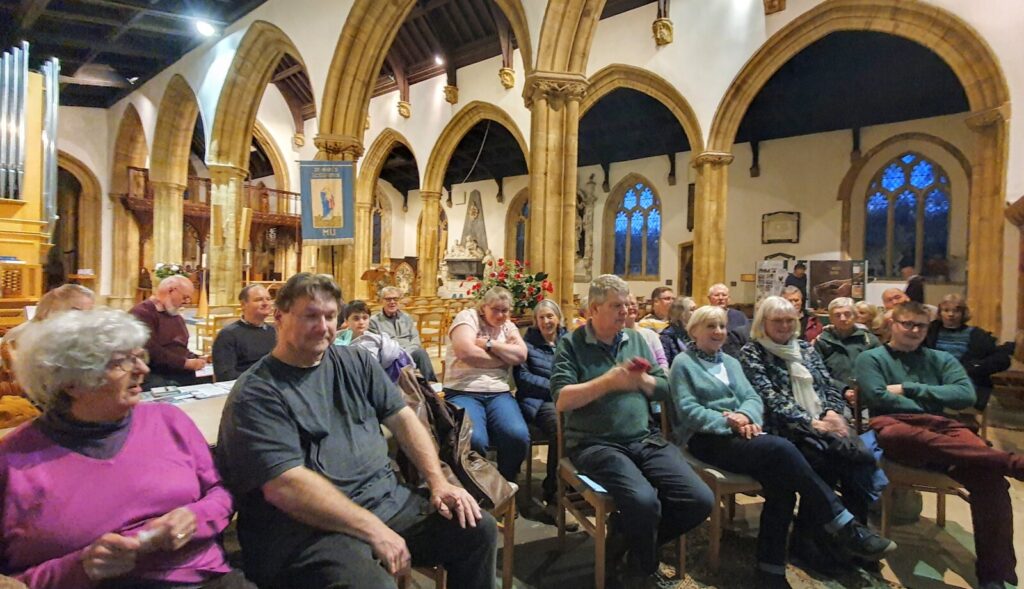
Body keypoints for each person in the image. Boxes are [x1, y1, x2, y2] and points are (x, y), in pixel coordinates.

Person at [215, 273, 497, 589]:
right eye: (310, 316)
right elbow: (286, 487)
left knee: (477, 529)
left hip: (385, 502)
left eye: (330, 316)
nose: (323, 327)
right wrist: (372, 529)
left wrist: (438, 482)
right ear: (279, 318)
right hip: (307, 530)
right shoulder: (257, 392)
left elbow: (403, 418)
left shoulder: (356, 361)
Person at [2, 309, 251, 589]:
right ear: (70, 382)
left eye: (139, 356)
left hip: (200, 579)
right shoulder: (13, 461)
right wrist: (79, 567)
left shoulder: (169, 421)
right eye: (121, 362)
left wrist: (194, 517)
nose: (142, 370)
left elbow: (221, 493)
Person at [669, 306, 895, 588]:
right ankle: (842, 522)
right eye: (710, 326)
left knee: (781, 483)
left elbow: (752, 398)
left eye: (722, 326)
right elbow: (688, 411)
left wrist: (747, 416)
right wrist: (731, 422)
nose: (718, 332)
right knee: (782, 450)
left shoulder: (730, 361)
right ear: (694, 330)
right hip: (705, 438)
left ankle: (770, 570)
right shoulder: (683, 363)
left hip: (744, 432)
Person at [550, 274, 713, 587]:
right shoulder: (571, 344)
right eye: (616, 305)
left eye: (628, 304)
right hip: (595, 444)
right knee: (643, 502)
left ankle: (623, 543)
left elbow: (664, 389)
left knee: (698, 499)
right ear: (594, 309)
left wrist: (644, 381)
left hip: (644, 438)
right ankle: (643, 567)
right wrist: (609, 381)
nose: (625, 310)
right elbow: (562, 400)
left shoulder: (636, 339)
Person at [855, 301, 1024, 589]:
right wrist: (932, 400)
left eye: (920, 325)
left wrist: (911, 388)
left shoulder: (941, 359)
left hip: (945, 429)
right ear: (892, 324)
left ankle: (995, 575)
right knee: (895, 435)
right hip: (897, 426)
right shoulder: (871, 358)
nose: (913, 330)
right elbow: (878, 397)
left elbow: (965, 396)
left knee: (991, 480)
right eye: (906, 323)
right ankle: (1010, 462)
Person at [740, 296, 883, 551]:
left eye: (789, 320)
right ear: (763, 323)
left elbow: (827, 383)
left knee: (855, 459)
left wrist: (831, 411)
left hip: (821, 422)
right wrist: (810, 421)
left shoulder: (805, 348)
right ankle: (811, 541)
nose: (784, 326)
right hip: (783, 427)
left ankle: (847, 542)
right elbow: (768, 396)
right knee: (821, 461)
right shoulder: (753, 352)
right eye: (777, 321)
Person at [444, 286, 529, 482]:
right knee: (474, 440)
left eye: (505, 310)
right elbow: (466, 352)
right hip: (463, 390)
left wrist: (491, 345)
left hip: (499, 392)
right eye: (496, 309)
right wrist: (503, 358)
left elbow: (521, 355)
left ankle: (505, 483)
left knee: (517, 437)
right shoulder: (468, 317)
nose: (501, 315)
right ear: (483, 308)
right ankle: (479, 487)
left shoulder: (508, 326)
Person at [512, 299, 567, 507]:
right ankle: (553, 489)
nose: (546, 321)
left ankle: (577, 483)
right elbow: (523, 378)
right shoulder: (526, 345)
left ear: (559, 318)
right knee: (560, 429)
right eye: (542, 317)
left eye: (550, 316)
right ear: (535, 321)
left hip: (568, 397)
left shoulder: (569, 341)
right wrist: (557, 388)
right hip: (539, 402)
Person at [924, 293, 1011, 410]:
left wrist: (975, 367)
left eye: (956, 311)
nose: (951, 314)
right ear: (940, 312)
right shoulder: (929, 331)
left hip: (964, 379)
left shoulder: (976, 334)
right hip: (933, 378)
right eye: (946, 310)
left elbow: (1002, 359)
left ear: (963, 313)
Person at [131, 275, 207, 389]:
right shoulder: (142, 313)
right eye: (185, 297)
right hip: (156, 376)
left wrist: (197, 357)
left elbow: (179, 347)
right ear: (171, 290)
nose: (187, 302)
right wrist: (185, 363)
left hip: (179, 373)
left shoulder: (175, 315)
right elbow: (150, 351)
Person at [2, 283, 95, 368]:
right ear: (56, 306)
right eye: (77, 311)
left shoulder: (20, 329)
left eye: (88, 313)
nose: (85, 320)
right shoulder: (53, 338)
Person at [369, 286, 438, 381]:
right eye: (388, 299)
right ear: (382, 301)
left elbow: (415, 339)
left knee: (421, 353)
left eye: (395, 299)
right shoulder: (374, 321)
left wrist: (407, 353)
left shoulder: (406, 317)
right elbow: (377, 345)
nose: (392, 302)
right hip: (390, 356)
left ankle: (432, 385)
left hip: (409, 352)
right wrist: (398, 354)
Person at [337, 300, 413, 383]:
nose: (361, 322)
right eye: (356, 318)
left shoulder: (375, 341)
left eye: (365, 318)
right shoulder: (338, 338)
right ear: (347, 321)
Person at [212, 285, 276, 381]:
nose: (266, 303)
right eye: (259, 300)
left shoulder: (274, 331)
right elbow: (225, 375)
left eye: (268, 299)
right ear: (243, 304)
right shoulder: (228, 335)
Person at [814, 297, 880, 387]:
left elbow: (878, 371)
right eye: (837, 315)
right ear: (831, 319)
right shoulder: (822, 341)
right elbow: (818, 372)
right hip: (833, 393)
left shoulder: (869, 340)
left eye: (847, 314)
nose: (843, 319)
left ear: (855, 316)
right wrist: (843, 389)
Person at [626, 293, 669, 370]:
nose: (630, 307)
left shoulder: (649, 334)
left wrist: (661, 378)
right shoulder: (615, 334)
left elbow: (662, 361)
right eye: (626, 304)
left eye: (633, 304)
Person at [708, 283, 749, 357]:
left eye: (724, 295)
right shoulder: (703, 315)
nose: (721, 298)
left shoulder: (739, 316)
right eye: (716, 295)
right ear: (709, 298)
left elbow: (747, 336)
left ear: (729, 298)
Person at [659, 297, 696, 367]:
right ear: (680, 314)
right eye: (692, 309)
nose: (696, 312)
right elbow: (665, 366)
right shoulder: (666, 337)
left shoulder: (696, 334)